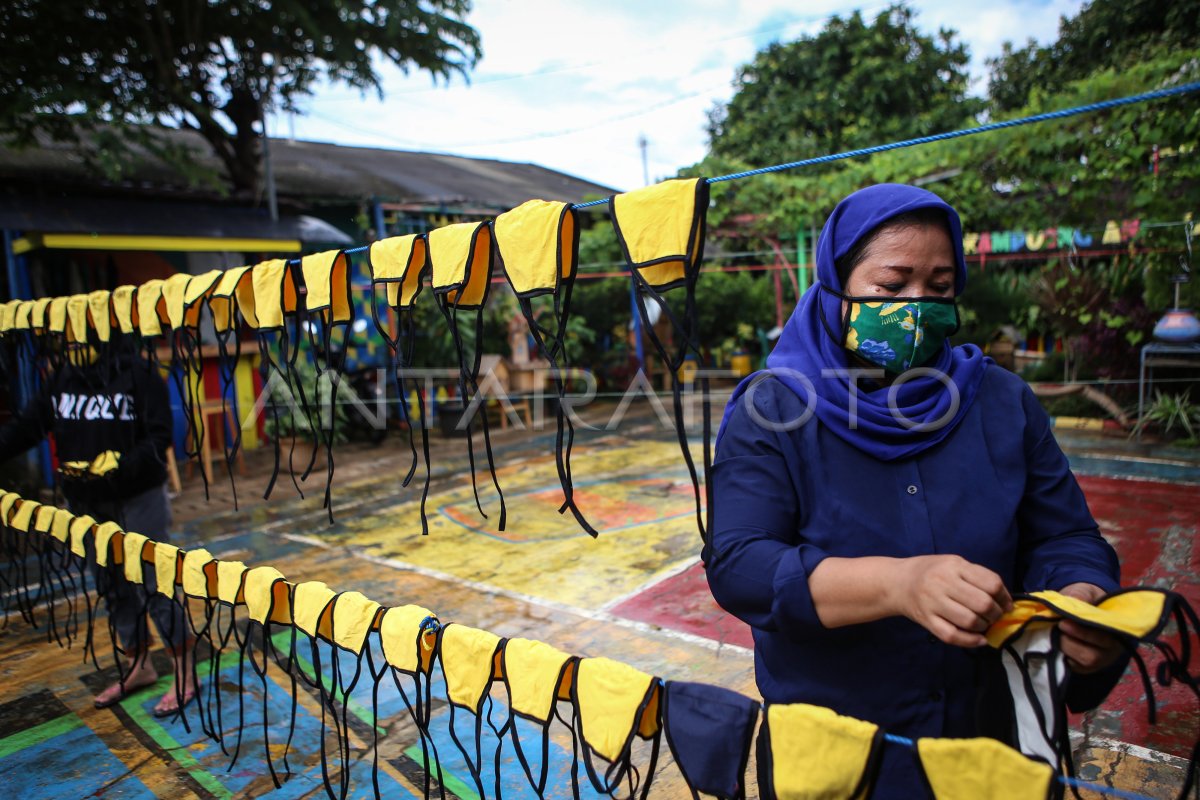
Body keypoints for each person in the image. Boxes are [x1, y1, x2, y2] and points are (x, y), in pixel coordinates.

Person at [706, 184, 1125, 796]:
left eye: (939, 286)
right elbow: (740, 565)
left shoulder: (1003, 402)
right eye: (892, 286)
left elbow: (1066, 534)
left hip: (992, 745)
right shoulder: (773, 408)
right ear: (836, 286)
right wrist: (898, 584)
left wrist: (1081, 595)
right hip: (839, 755)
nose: (917, 306)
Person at [0, 337, 197, 716]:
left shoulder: (140, 375)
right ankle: (139, 666)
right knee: (111, 584)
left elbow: (161, 437)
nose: (69, 344)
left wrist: (121, 464)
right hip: (85, 501)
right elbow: (28, 426)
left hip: (138, 497)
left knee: (155, 582)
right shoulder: (62, 379)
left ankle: (185, 674)